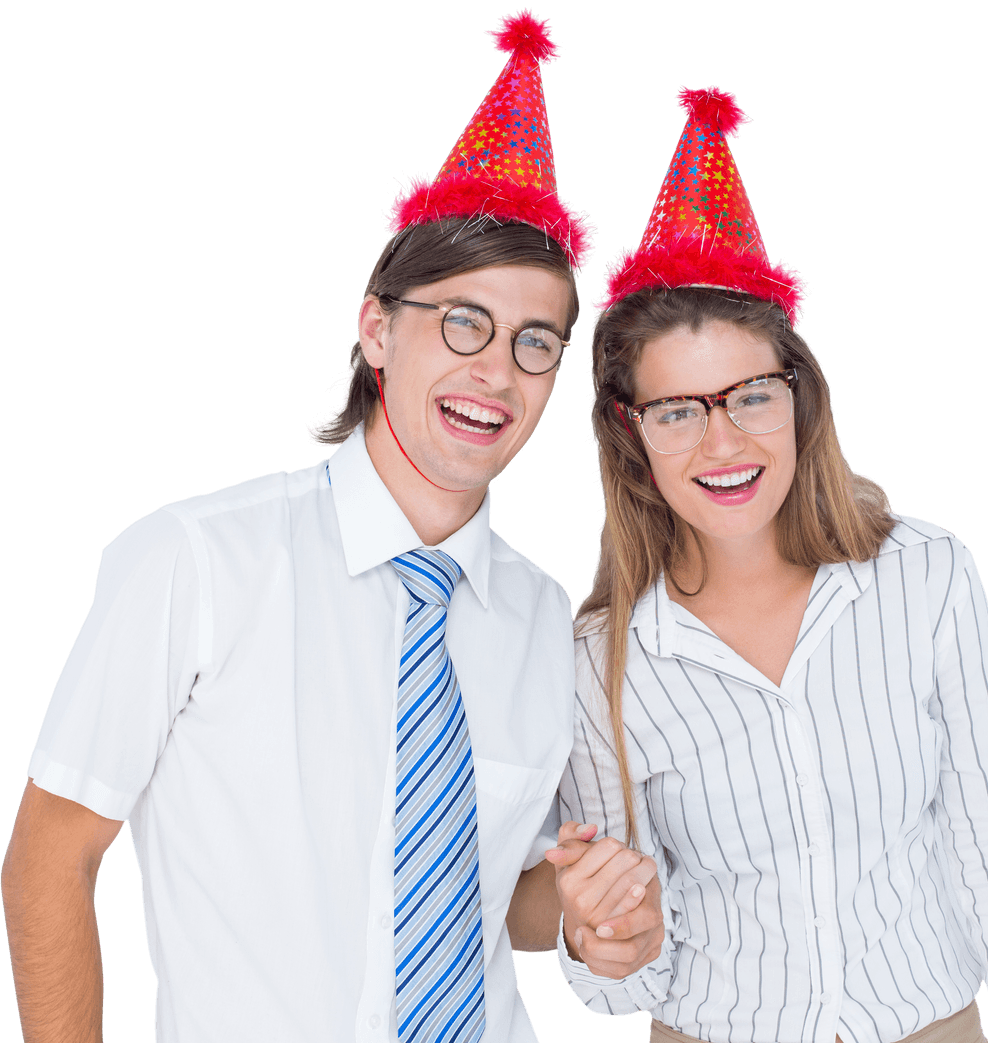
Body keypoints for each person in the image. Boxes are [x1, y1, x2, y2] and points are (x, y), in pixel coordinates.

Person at [1, 13, 660, 1043]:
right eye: (462, 322)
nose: (497, 369)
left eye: (536, 343)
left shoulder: (539, 612)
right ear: (375, 327)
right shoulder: (196, 559)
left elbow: (507, 892)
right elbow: (52, 850)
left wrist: (582, 918)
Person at [552, 88, 988, 1042]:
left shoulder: (926, 575)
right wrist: (602, 942)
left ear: (800, 397)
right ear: (631, 438)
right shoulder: (598, 661)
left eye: (750, 393)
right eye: (677, 410)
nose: (723, 442)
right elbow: (621, 981)